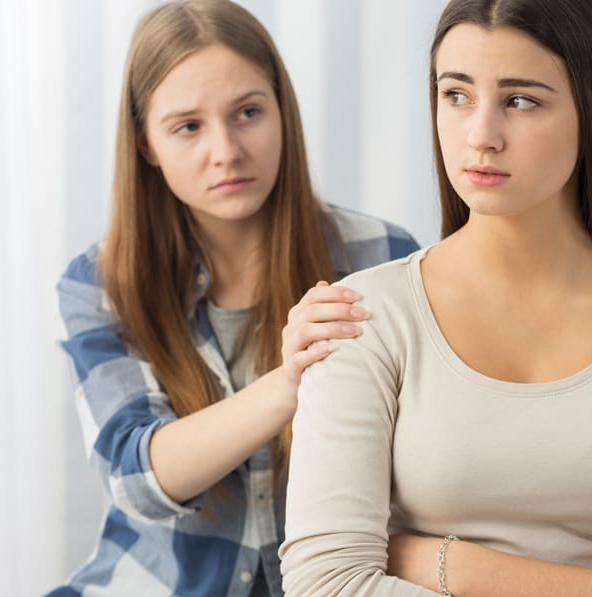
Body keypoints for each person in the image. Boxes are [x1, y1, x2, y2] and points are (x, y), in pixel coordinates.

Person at [278, 0, 592, 594]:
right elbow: (324, 585)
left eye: (521, 100)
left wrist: (442, 563)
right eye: (456, 95)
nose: (481, 136)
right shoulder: (363, 317)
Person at [50, 2, 418, 595]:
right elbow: (137, 477)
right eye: (188, 126)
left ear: (282, 112)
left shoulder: (382, 255)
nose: (226, 151)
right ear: (146, 143)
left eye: (248, 112)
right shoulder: (101, 283)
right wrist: (290, 381)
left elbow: (427, 468)